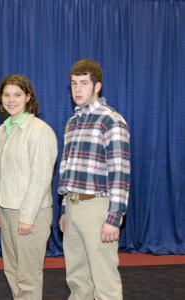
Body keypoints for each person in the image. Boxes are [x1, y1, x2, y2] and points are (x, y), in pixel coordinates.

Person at [58, 59, 131, 300]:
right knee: (77, 279)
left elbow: (120, 172)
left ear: (97, 86)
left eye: (84, 83)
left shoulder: (111, 120)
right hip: (74, 206)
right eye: (73, 83)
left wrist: (114, 217)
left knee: (104, 280)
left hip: (98, 208)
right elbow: (68, 170)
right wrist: (65, 209)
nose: (77, 89)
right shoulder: (72, 123)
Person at [0, 74, 57, 299]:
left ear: (28, 97)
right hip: (6, 209)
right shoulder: (3, 130)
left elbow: (41, 177)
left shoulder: (39, 130)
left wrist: (27, 217)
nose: (11, 100)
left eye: (17, 94)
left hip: (31, 213)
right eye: (6, 95)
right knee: (12, 270)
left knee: (28, 275)